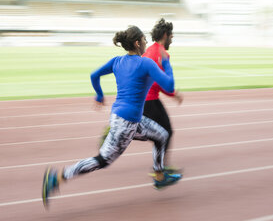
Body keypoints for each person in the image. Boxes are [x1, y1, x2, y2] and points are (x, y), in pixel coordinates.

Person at [42, 25, 182, 208]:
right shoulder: (146, 63)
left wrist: (99, 95)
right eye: (145, 41)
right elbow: (170, 86)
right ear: (137, 43)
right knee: (102, 161)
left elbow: (94, 75)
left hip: (126, 118)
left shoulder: (117, 61)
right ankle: (58, 177)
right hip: (126, 123)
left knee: (162, 135)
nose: (147, 44)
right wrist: (166, 63)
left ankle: (159, 176)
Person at [99, 18, 183, 174]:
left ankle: (115, 132)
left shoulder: (150, 50)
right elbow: (158, 82)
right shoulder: (162, 53)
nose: (172, 38)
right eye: (171, 36)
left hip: (142, 99)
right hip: (149, 99)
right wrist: (173, 93)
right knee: (165, 132)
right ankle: (160, 170)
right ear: (165, 35)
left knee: (151, 131)